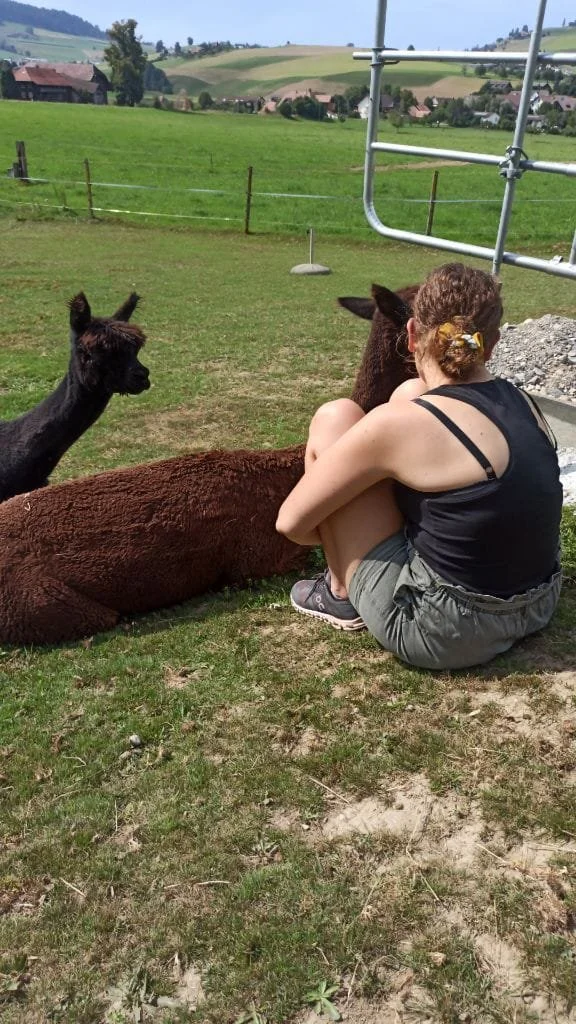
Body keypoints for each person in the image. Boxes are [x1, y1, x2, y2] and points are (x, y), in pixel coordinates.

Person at [276, 262, 563, 670]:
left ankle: (340, 592)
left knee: (335, 417)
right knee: (410, 391)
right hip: (537, 601)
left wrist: (348, 532)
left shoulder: (399, 427)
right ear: (493, 344)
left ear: (411, 334)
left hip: (446, 631)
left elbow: (291, 524)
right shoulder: (523, 402)